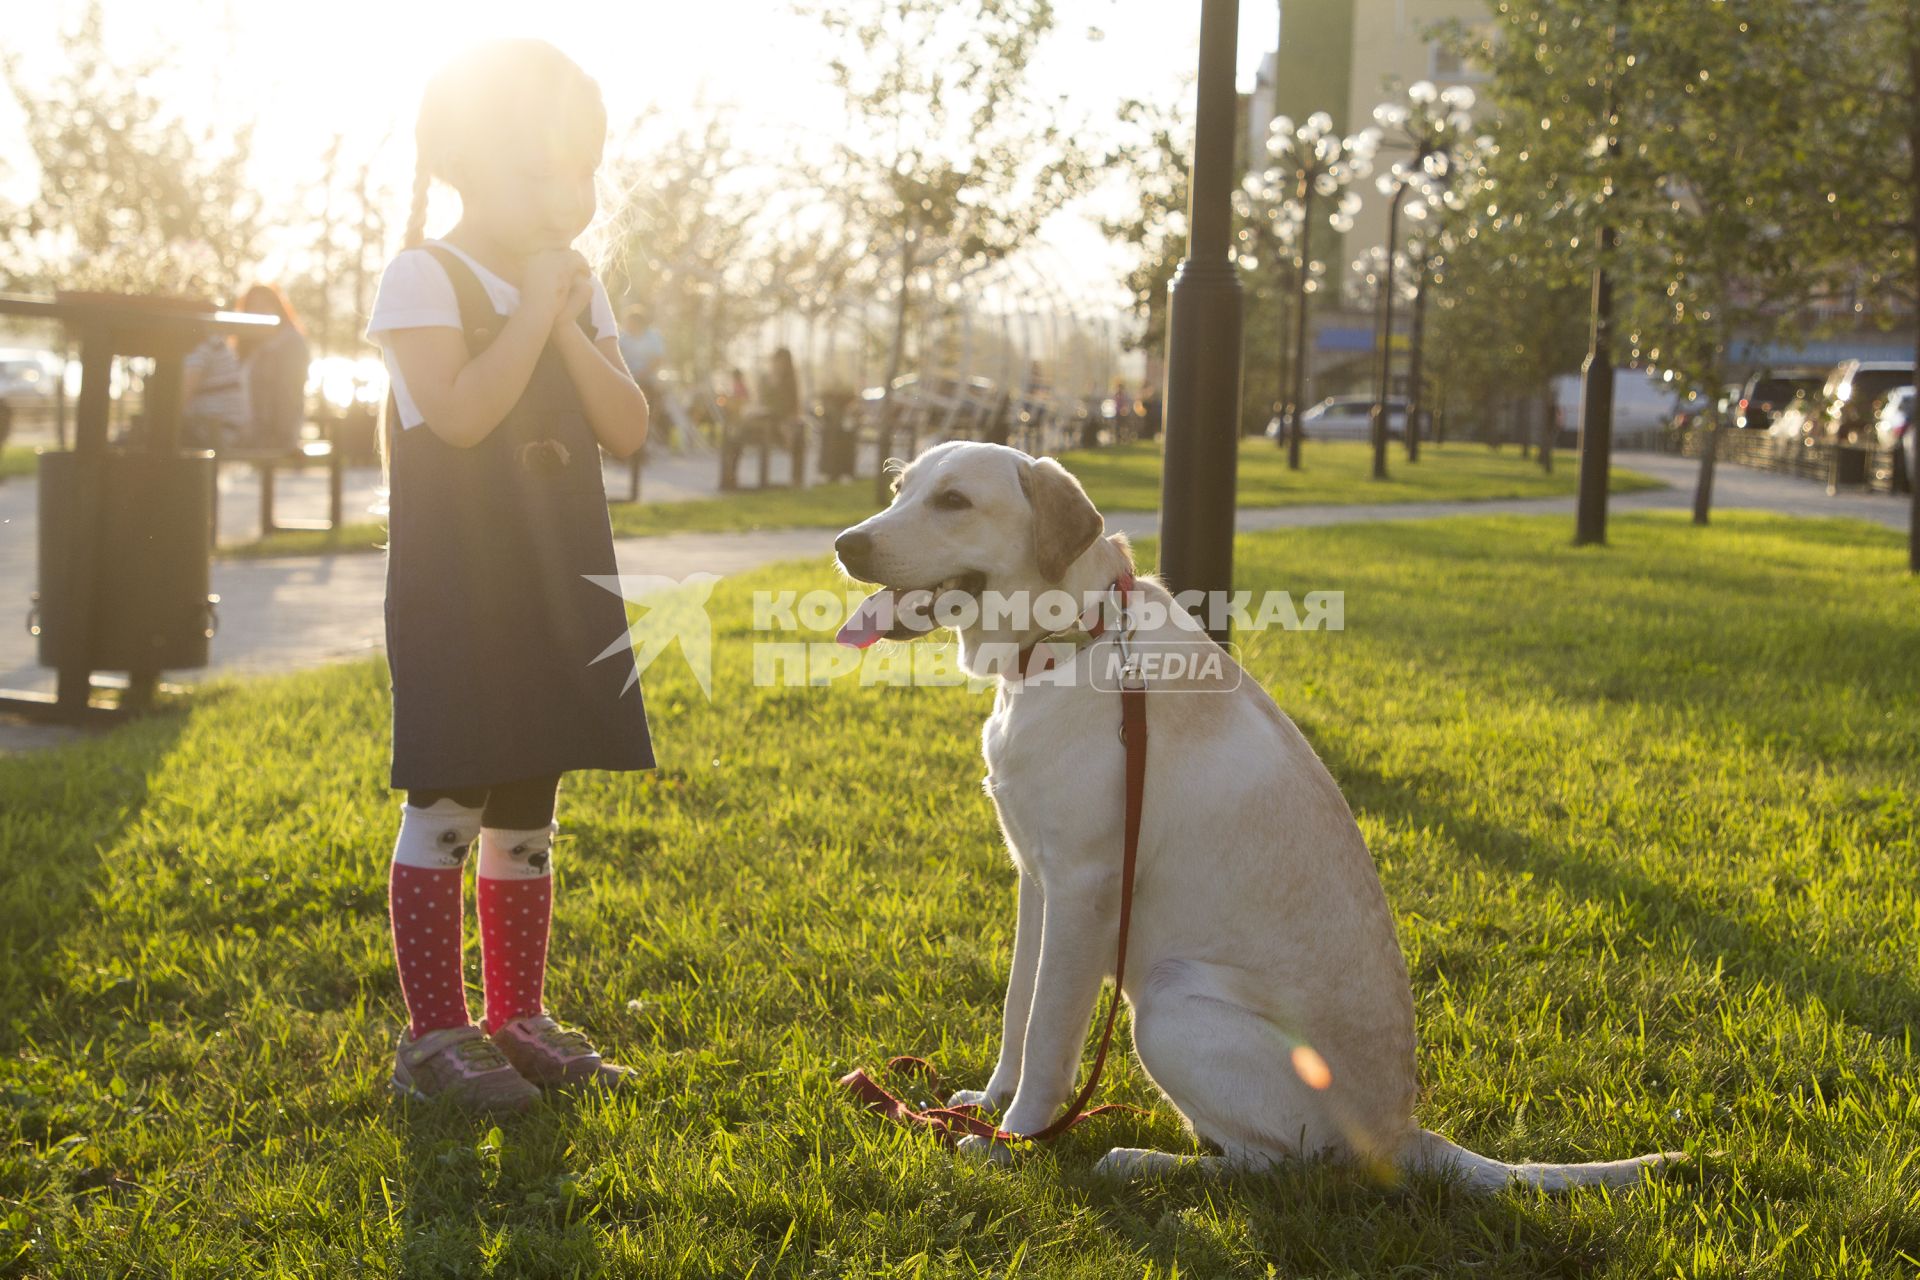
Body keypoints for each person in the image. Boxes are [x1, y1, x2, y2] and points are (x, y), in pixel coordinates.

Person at [364, 38, 655, 1112]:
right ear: (467, 169)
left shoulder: (581, 288)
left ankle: (516, 1014)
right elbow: (463, 411)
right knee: (451, 791)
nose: (566, 194)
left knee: (530, 794)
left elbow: (626, 424)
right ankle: (433, 1034)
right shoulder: (422, 276)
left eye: (580, 170)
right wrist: (534, 308)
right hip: (460, 586)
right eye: (538, 169)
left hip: (556, 580)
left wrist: (570, 316)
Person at [234, 282, 312, 451]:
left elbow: (290, 394)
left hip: (271, 435)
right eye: (252, 305)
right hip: (248, 431)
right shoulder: (248, 345)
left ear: (278, 306)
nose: (258, 309)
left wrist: (282, 437)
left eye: (264, 303)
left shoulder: (290, 343)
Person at [180, 328, 251, 450]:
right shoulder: (214, 343)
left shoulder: (203, 347)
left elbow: (180, 398)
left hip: (217, 432)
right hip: (225, 429)